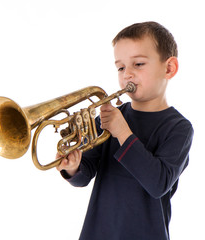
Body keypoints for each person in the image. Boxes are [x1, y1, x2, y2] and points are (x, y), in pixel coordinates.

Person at [56, 21, 194, 240]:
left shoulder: (179, 128)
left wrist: (122, 131)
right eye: (120, 67)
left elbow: (158, 184)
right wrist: (73, 167)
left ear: (169, 68)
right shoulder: (110, 118)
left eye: (138, 64)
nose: (127, 74)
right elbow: (84, 176)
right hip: (98, 232)